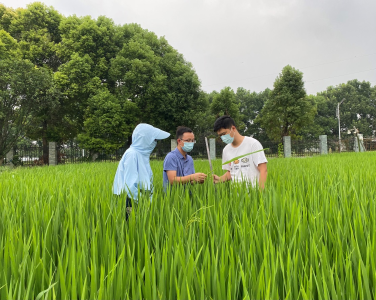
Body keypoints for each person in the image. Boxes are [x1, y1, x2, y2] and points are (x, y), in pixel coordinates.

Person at [113, 123, 170, 213]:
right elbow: (129, 185)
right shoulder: (132, 154)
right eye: (154, 140)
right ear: (145, 139)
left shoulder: (142, 156)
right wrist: (144, 201)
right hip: (131, 199)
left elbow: (147, 181)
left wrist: (149, 199)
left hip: (140, 198)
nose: (155, 142)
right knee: (131, 225)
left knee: (141, 225)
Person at [213, 116, 268, 189]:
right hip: (236, 195)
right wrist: (219, 179)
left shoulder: (252, 144)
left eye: (224, 133)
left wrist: (261, 193)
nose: (222, 137)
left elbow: (263, 170)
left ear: (233, 128)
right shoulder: (226, 150)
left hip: (253, 193)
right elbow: (231, 172)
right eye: (220, 135)